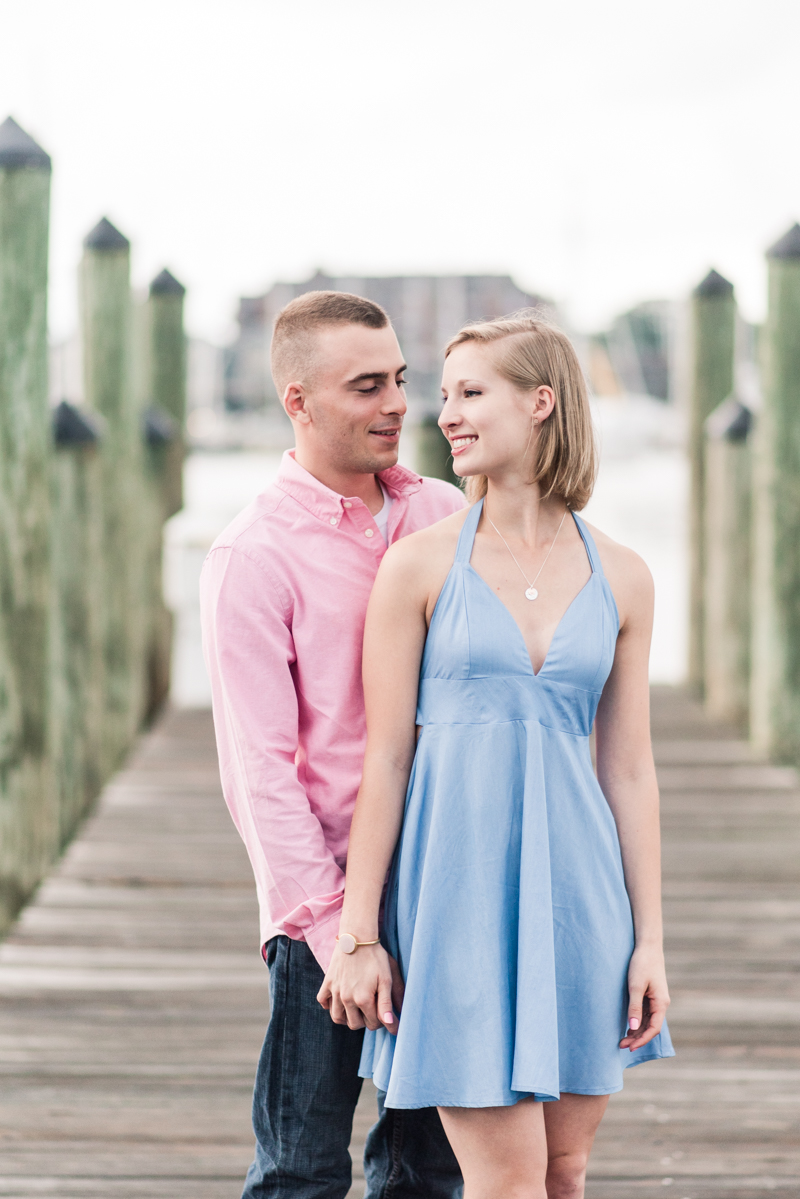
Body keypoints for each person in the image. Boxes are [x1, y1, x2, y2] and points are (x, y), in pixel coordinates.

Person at [318, 313, 675, 1199]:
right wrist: (360, 932)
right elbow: (388, 760)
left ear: (542, 402)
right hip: (457, 904)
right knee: (505, 1182)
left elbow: (628, 768)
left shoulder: (624, 574)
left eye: (471, 393)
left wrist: (650, 940)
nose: (446, 415)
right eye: (446, 396)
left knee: (563, 1173)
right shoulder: (417, 569)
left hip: (583, 905)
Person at [200, 291, 466, 1199]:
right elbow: (260, 774)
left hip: (444, 889)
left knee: (428, 1169)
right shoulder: (252, 555)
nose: (398, 403)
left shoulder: (446, 515)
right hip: (323, 911)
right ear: (299, 401)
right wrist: (335, 935)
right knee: (301, 1170)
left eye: (400, 378)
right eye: (366, 386)